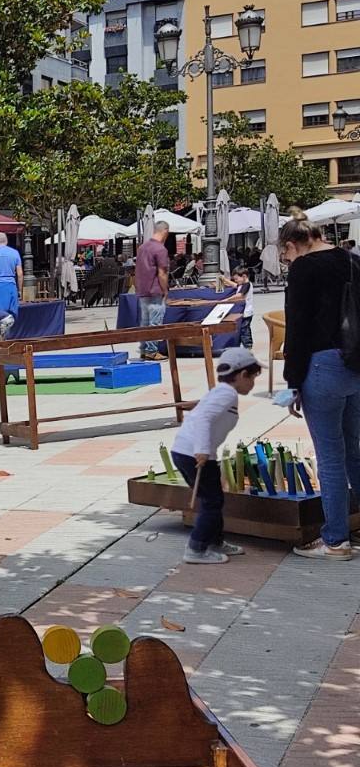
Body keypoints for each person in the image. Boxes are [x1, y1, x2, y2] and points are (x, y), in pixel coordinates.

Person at [281, 217, 360, 560]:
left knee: (329, 457)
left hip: (321, 365)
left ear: (291, 245)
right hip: (355, 365)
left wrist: (293, 381)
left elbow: (296, 329)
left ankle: (336, 540)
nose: (287, 264)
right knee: (355, 451)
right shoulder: (353, 260)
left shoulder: (304, 269)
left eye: (285, 257)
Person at [170, 347, 261, 565]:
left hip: (193, 452)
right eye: (253, 377)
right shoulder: (226, 393)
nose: (253, 383)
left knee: (215, 499)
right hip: (193, 453)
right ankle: (196, 548)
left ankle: (216, 541)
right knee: (212, 502)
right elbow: (203, 419)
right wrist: (201, 450)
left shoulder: (222, 392)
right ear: (242, 375)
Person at [136, 220, 171, 362]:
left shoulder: (142, 248)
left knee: (145, 321)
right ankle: (152, 351)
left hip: (143, 289)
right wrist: (166, 289)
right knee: (155, 321)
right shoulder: (160, 249)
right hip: (155, 289)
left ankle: (144, 350)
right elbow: (162, 273)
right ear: (165, 231)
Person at [218, 266, 254, 348]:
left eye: (237, 279)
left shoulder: (247, 285)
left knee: (245, 329)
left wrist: (227, 299)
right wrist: (224, 280)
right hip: (244, 312)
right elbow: (235, 285)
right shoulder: (242, 284)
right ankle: (244, 344)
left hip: (247, 312)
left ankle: (248, 345)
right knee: (242, 328)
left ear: (244, 277)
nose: (236, 281)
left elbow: (240, 295)